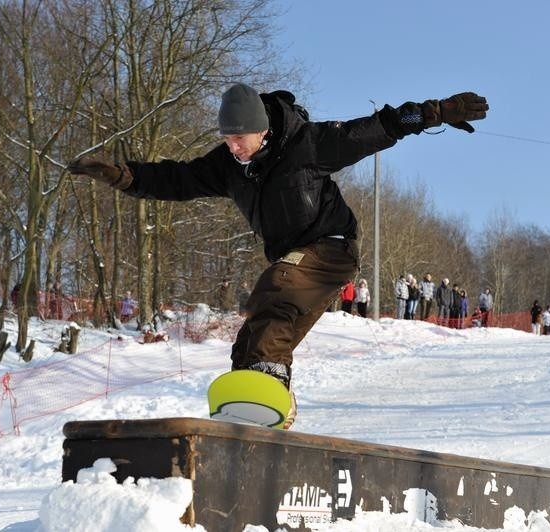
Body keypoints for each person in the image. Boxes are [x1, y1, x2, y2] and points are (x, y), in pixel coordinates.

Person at [67, 83, 488, 428]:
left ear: (262, 130)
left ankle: (269, 378)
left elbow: (376, 128)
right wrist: (124, 176)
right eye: (227, 139)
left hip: (332, 247)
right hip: (293, 260)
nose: (233, 147)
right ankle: (266, 410)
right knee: (253, 336)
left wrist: (435, 112)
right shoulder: (227, 165)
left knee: (277, 285)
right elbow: (177, 178)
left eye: (239, 138)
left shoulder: (306, 144)